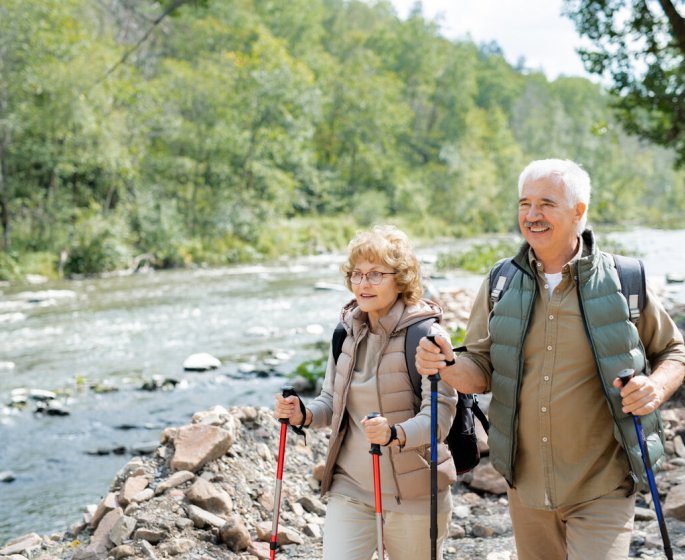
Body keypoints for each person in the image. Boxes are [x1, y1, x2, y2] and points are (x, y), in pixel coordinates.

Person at [416, 159, 685, 560]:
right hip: (526, 490)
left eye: (546, 203)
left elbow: (674, 352)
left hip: (603, 484)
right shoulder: (499, 281)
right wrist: (447, 364)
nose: (532, 215)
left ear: (579, 211)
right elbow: (481, 369)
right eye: (525, 204)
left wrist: (655, 388)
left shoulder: (623, 280)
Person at [274, 224, 458, 560]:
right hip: (352, 487)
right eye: (356, 274)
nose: (362, 283)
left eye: (375, 274)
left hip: (415, 496)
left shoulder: (426, 336)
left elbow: (440, 418)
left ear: (400, 278)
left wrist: (394, 433)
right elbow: (332, 400)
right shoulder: (346, 333)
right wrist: (304, 413)